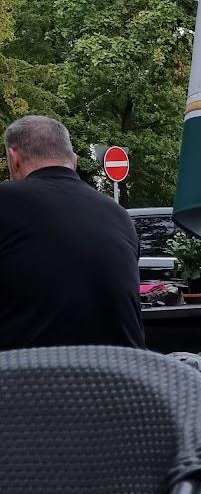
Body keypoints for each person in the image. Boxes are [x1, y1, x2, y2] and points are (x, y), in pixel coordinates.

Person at [0, 116, 144, 351]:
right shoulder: (120, 216)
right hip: (122, 379)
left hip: (26, 379)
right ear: (74, 161)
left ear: (14, 158)